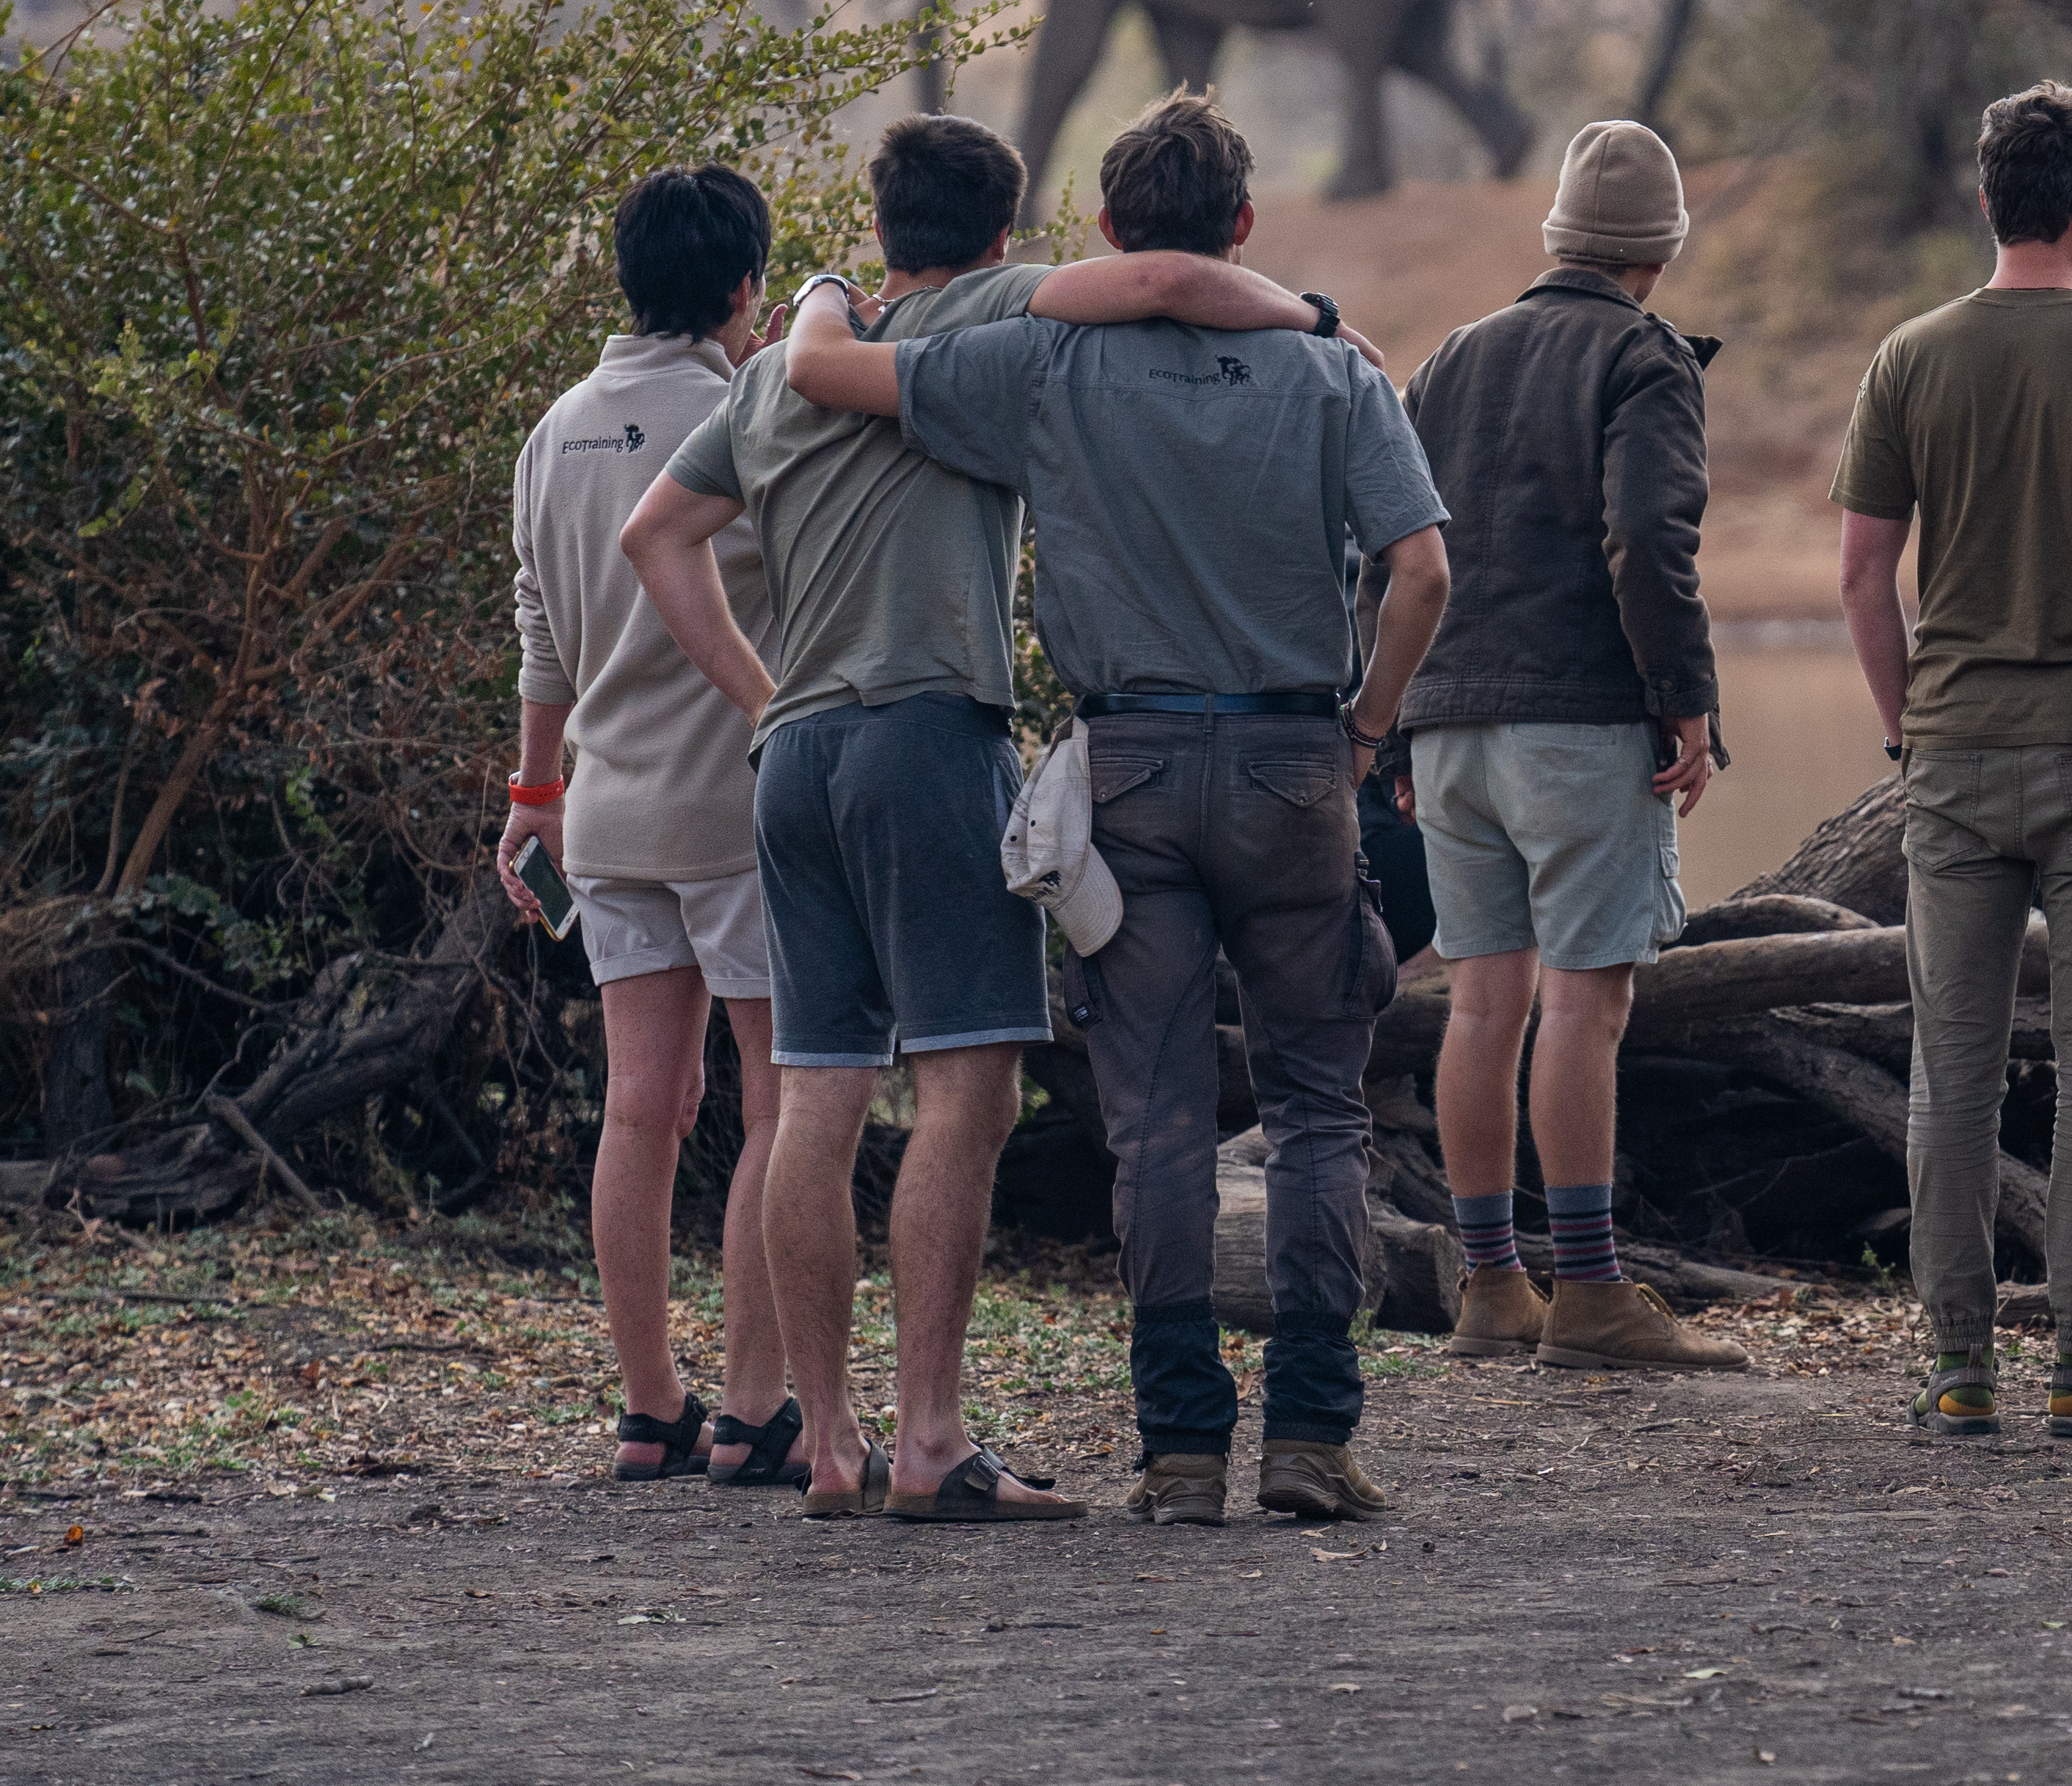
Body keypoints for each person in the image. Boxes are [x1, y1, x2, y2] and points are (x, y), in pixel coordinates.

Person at [620, 112, 1347, 1524]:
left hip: (798, 760)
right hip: (928, 735)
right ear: (1006, 235)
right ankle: (933, 1441)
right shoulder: (1003, 319)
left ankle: (826, 1444)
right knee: (971, 1084)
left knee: (818, 1091)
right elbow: (1159, 284)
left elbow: (656, 535)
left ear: (881, 224)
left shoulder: (777, 371)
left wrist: (764, 694)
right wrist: (1315, 314)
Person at [784, 93, 1453, 1523]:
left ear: (1098, 228)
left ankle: (1180, 1447)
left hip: (1128, 773)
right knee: (1321, 1108)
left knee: (1152, 1122)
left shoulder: (1038, 360)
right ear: (1246, 230)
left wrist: (820, 296)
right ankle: (1314, 1435)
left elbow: (832, 385)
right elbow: (1426, 571)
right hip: (1293, 765)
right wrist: (1368, 730)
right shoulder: (1336, 375)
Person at [1833, 81, 2072, 1443]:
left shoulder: (1910, 356)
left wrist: (1910, 727)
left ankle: (1957, 1367)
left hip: (1954, 755)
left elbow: (1862, 575)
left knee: (1952, 1067)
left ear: (1985, 200)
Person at [1389, 120, 1744, 1375]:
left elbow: (1390, 542)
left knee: (1483, 1003)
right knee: (1585, 1011)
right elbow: (1648, 541)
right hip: (1580, 721)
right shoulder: (1644, 358)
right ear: (1660, 247)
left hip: (1446, 723)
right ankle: (1590, 1291)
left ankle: (1493, 1285)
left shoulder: (1452, 357)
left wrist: (1389, 712)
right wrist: (1686, 701)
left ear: (1557, 233)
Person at [502, 164, 795, 1486]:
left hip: (604, 818)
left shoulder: (556, 427)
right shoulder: (751, 413)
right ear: (744, 286)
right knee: (779, 1102)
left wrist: (532, 795)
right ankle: (752, 1408)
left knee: (643, 1108)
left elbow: (540, 631)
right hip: (739, 804)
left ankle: (649, 1408)